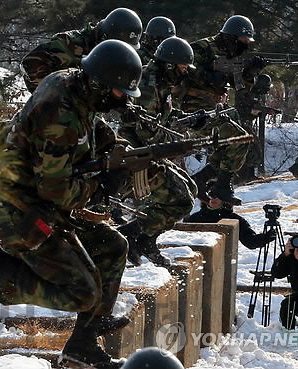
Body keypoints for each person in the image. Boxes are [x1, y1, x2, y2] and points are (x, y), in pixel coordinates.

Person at [0, 40, 143, 369]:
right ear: (99, 84)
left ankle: (82, 343)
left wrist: (119, 153)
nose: (122, 100)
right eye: (119, 92)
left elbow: (91, 129)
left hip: (40, 203)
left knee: (113, 246)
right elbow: (57, 190)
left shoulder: (75, 84)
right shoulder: (59, 116)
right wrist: (99, 185)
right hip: (15, 211)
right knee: (84, 293)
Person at [117, 36, 198, 267]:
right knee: (181, 200)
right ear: (171, 65)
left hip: (149, 152)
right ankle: (131, 234)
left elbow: (164, 118)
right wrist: (172, 143)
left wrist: (191, 121)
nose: (185, 72)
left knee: (190, 188)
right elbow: (145, 130)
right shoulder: (148, 87)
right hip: (135, 156)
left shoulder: (161, 85)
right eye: (183, 67)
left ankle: (147, 239)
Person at [177, 15, 256, 205]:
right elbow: (184, 68)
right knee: (238, 140)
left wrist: (251, 72)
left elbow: (241, 87)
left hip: (216, 107)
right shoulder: (203, 47)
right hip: (194, 108)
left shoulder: (234, 55)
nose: (245, 45)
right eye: (243, 40)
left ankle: (204, 179)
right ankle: (221, 185)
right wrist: (209, 76)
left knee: (235, 140)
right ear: (232, 37)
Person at [21, 7, 142, 92]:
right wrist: (57, 93)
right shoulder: (69, 44)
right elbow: (30, 64)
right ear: (106, 37)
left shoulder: (111, 58)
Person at [184, 179, 276, 250]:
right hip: (196, 263)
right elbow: (182, 243)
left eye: (218, 195)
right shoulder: (194, 219)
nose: (213, 199)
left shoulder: (234, 220)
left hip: (224, 264)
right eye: (210, 194)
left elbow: (250, 241)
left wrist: (265, 237)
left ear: (226, 198)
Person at [234, 74, 278, 182]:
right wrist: (263, 110)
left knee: (253, 148)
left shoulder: (255, 94)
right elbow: (247, 109)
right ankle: (244, 177)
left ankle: (248, 175)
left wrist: (265, 111)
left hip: (245, 124)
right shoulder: (246, 92)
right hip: (239, 124)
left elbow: (255, 109)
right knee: (249, 148)